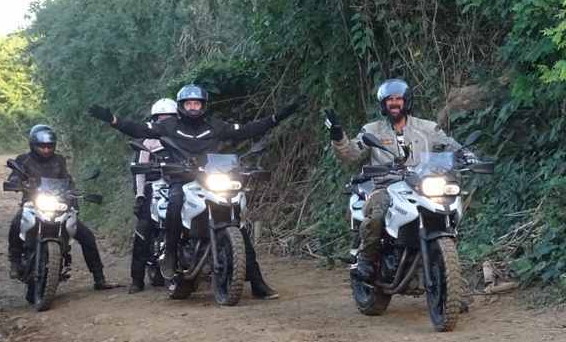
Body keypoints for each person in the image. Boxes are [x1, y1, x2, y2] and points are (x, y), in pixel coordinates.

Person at [89, 84, 302, 299]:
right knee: (175, 201)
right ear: (181, 106)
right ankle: (170, 255)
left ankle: (257, 283)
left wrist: (278, 117)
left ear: (203, 105)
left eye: (197, 103)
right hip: (181, 179)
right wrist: (113, 120)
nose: (193, 107)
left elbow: (247, 130)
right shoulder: (170, 125)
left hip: (210, 178)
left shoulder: (215, 126)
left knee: (238, 223)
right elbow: (140, 129)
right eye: (189, 103)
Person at [325, 78, 469, 283]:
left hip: (420, 184)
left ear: (406, 101)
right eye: (389, 100)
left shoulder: (428, 128)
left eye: (398, 99)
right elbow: (352, 154)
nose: (394, 103)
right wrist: (338, 136)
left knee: (449, 203)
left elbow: (449, 144)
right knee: (378, 210)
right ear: (383, 104)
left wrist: (466, 155)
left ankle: (448, 272)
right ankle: (365, 259)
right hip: (385, 185)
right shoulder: (372, 130)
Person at [5, 124, 116, 290]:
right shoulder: (24, 159)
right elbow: (15, 174)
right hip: (33, 204)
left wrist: (74, 193)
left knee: (87, 237)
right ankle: (14, 261)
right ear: (33, 145)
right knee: (16, 223)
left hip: (58, 205)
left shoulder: (59, 160)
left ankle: (99, 278)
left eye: (49, 146)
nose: (46, 150)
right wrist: (15, 182)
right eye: (42, 146)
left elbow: (67, 179)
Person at [128, 98, 178, 293]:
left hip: (181, 184)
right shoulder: (148, 141)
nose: (165, 121)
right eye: (161, 118)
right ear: (154, 119)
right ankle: (137, 279)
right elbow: (139, 171)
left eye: (170, 117)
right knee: (143, 228)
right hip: (154, 186)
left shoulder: (184, 136)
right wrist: (140, 195)